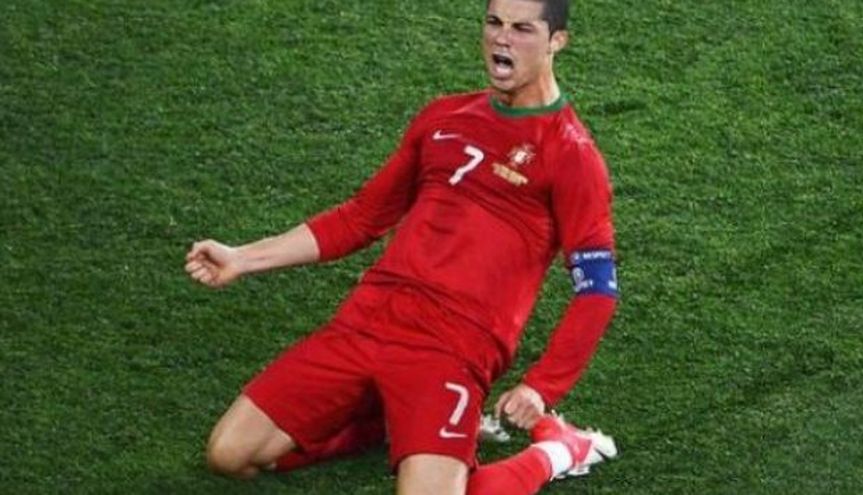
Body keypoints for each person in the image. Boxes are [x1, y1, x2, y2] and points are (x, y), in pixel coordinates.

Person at [184, 0, 620, 493]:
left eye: (522, 29)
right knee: (228, 454)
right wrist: (241, 258)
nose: (502, 38)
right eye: (494, 23)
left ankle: (556, 451)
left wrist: (542, 386)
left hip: (453, 346)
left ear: (556, 41)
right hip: (369, 318)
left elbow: (597, 290)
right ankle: (392, 425)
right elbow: (360, 217)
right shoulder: (444, 116)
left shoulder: (571, 154)